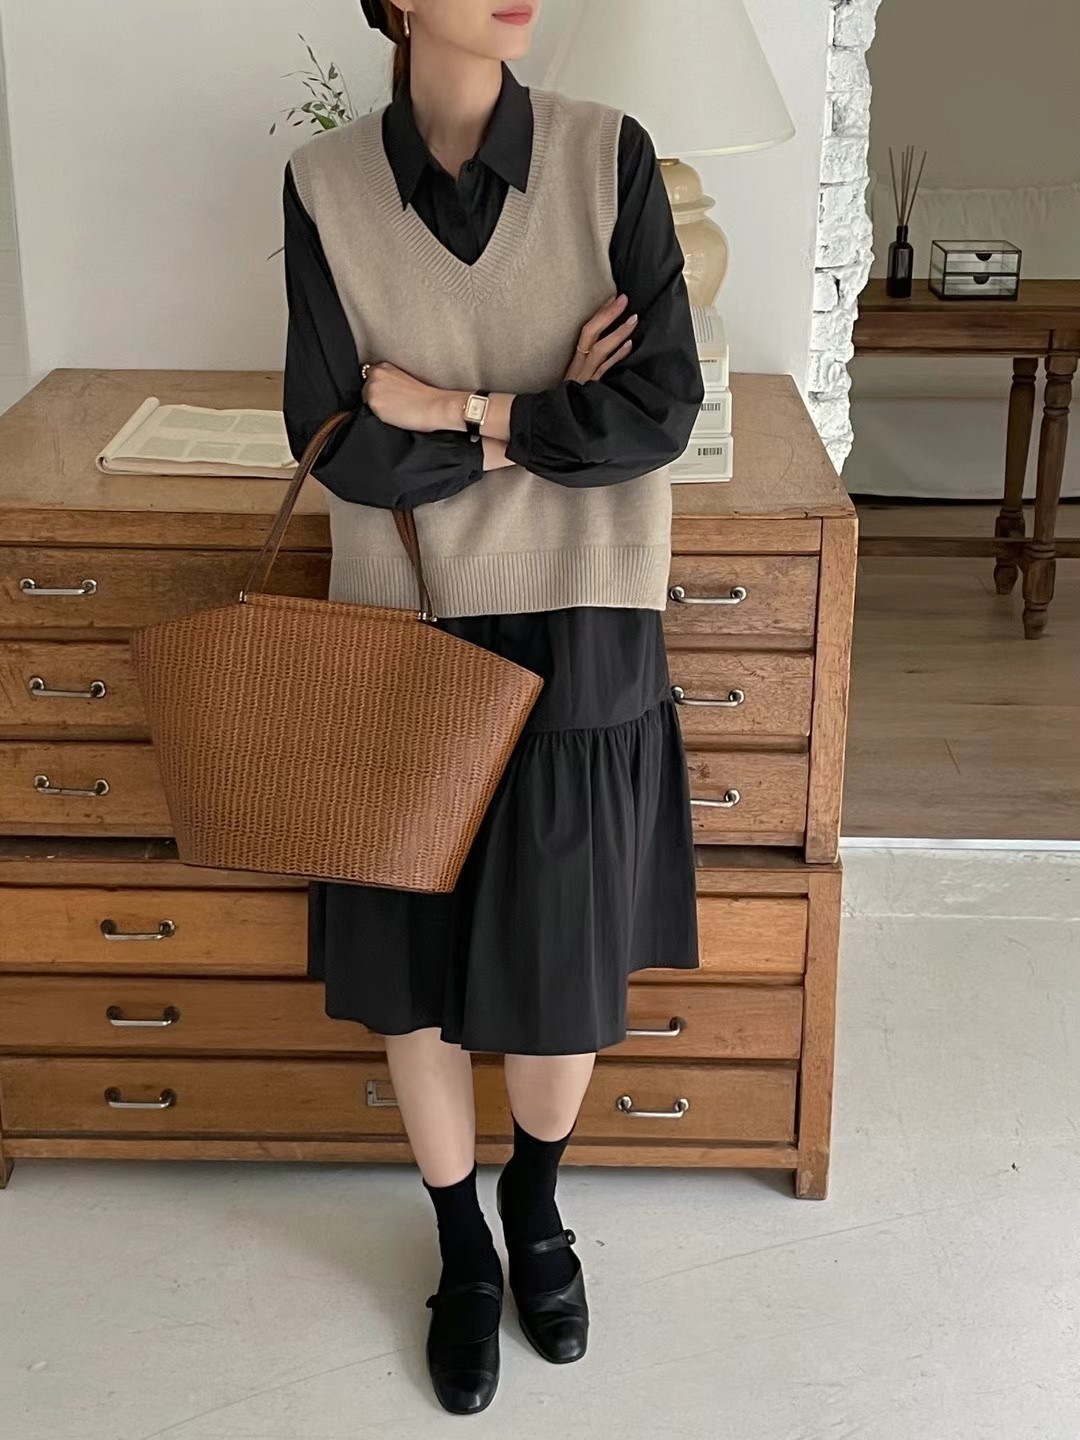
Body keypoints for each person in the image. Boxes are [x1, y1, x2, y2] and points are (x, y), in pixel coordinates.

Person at [281, 0, 704, 1416]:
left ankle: (536, 1202)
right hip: (405, 616)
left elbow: (658, 411)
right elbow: (338, 443)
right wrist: (546, 417)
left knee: (563, 954)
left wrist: (463, 413)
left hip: (587, 615)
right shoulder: (325, 186)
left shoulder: (608, 156)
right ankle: (461, 1242)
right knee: (409, 952)